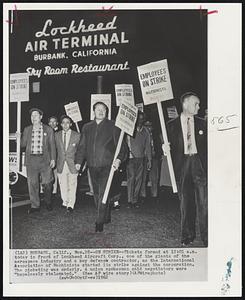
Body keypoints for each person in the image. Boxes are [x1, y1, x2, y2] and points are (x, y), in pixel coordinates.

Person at [162, 92, 207, 246]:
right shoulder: (170, 125)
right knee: (186, 203)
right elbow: (164, 144)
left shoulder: (203, 123)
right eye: (196, 104)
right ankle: (187, 235)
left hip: (199, 164)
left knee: (204, 202)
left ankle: (206, 237)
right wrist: (164, 147)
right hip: (182, 166)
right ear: (186, 104)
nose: (199, 107)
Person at [75, 102, 128, 232]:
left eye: (103, 109)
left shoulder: (114, 126)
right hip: (92, 165)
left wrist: (119, 160)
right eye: (98, 109)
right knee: (97, 193)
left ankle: (99, 221)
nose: (101, 111)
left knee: (103, 192)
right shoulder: (87, 127)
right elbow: (82, 146)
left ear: (106, 112)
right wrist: (78, 161)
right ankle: (106, 214)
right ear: (94, 111)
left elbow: (122, 146)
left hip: (107, 166)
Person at [20, 108, 56, 214]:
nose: (33, 118)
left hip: (45, 160)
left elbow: (52, 146)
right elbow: (23, 144)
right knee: (32, 184)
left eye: (36, 115)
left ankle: (48, 202)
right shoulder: (27, 129)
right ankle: (35, 205)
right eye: (32, 116)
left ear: (41, 117)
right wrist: (19, 137)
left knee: (48, 183)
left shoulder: (48, 129)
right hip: (31, 160)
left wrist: (53, 159)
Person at [55, 115, 81, 212]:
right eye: (63, 122)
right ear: (61, 124)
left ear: (71, 124)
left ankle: (71, 204)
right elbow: (54, 149)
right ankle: (64, 201)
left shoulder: (77, 135)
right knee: (62, 184)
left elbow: (80, 151)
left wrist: (79, 163)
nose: (65, 124)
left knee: (72, 184)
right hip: (61, 163)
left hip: (72, 164)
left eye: (67, 122)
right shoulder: (56, 135)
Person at [126, 111, 151, 208]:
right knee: (131, 178)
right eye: (138, 119)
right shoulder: (130, 129)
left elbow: (148, 146)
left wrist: (149, 159)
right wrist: (129, 153)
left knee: (139, 180)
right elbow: (126, 142)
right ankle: (129, 200)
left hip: (141, 158)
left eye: (142, 119)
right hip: (131, 158)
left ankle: (135, 200)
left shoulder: (145, 131)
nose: (140, 121)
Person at [140, 120, 162, 202]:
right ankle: (143, 195)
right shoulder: (142, 135)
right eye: (146, 126)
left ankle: (154, 195)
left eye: (150, 126)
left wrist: (159, 155)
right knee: (143, 177)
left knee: (154, 178)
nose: (148, 128)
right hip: (144, 158)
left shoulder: (156, 136)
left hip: (154, 158)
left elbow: (160, 145)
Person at [48, 116, 59, 195]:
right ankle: (44, 190)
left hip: (57, 156)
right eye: (51, 122)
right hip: (47, 156)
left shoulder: (59, 132)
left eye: (54, 121)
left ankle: (54, 190)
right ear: (48, 123)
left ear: (57, 123)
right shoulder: (46, 131)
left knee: (55, 173)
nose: (52, 123)